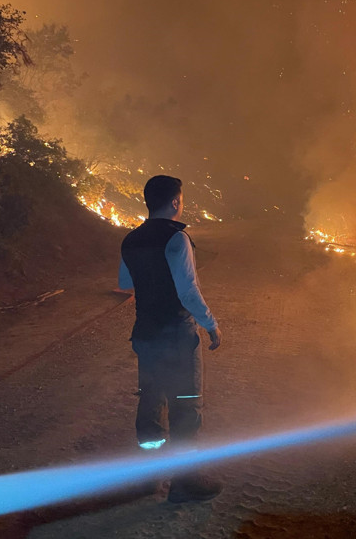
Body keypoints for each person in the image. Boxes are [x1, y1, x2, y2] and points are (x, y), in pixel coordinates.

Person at [118, 174, 223, 503]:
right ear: (176, 202)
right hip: (177, 335)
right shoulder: (177, 240)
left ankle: (148, 476)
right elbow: (188, 292)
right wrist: (211, 325)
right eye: (182, 198)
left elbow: (125, 283)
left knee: (150, 400)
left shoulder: (130, 240)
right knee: (185, 404)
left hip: (146, 334)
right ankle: (185, 481)